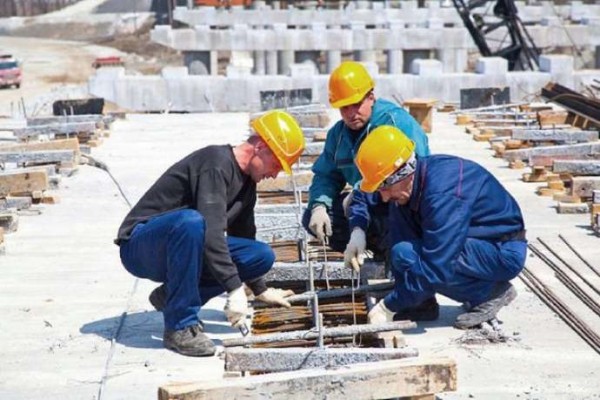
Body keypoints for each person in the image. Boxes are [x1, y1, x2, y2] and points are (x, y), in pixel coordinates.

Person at [115, 110, 306, 357]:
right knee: (192, 223)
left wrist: (259, 289)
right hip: (141, 246)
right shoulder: (215, 164)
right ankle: (179, 326)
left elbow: (244, 236)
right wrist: (235, 288)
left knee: (260, 255)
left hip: (182, 245)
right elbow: (212, 233)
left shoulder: (247, 184)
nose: (274, 174)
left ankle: (171, 297)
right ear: (260, 146)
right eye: (276, 164)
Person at [348, 125, 526, 329]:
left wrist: (389, 306)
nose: (384, 195)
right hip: (473, 240)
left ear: (403, 172)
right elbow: (363, 195)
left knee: (421, 259)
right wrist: (357, 229)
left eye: (385, 187)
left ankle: (490, 294)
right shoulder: (408, 182)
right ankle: (422, 302)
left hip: (500, 250)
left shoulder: (442, 194)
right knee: (402, 251)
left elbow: (437, 266)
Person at [302, 60, 435, 321]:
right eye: (344, 108)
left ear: (371, 97)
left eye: (356, 104)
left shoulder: (396, 123)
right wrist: (319, 205)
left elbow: (416, 176)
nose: (351, 113)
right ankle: (381, 252)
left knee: (395, 221)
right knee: (313, 219)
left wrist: (367, 197)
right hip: (367, 204)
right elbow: (326, 175)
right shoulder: (338, 135)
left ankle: (417, 290)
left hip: (400, 204)